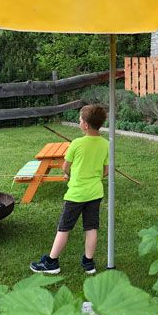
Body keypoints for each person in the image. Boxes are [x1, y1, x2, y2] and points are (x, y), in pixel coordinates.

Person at [30, 104, 109, 275]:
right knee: (91, 227)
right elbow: (106, 171)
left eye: (80, 120)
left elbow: (65, 167)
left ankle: (52, 262)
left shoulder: (76, 143)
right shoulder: (106, 144)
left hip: (76, 194)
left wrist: (69, 175)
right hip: (95, 193)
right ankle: (89, 263)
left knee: (64, 228)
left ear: (85, 125)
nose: (79, 122)